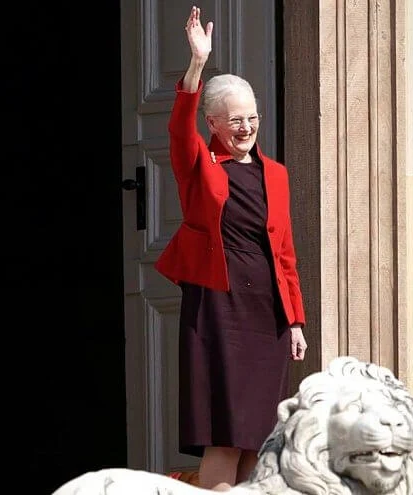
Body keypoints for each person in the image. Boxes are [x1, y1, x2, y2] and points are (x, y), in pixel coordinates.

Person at [153, 5, 308, 490]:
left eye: (253, 118)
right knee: (223, 435)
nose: (246, 127)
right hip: (218, 311)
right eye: (234, 120)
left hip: (267, 317)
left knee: (257, 439)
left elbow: (284, 252)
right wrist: (197, 65)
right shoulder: (200, 167)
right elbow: (180, 130)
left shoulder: (276, 175)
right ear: (214, 124)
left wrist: (297, 319)